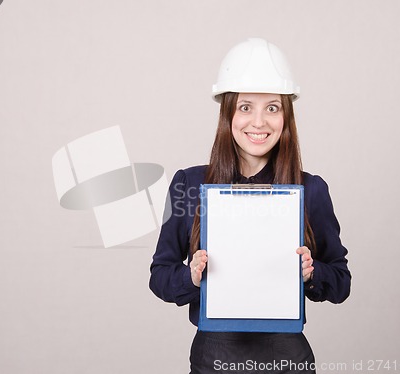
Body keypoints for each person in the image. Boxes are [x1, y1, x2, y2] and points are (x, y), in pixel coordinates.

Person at [149, 38, 351, 374]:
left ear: (286, 116)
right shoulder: (188, 184)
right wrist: (192, 276)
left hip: (287, 359)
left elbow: (341, 282)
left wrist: (313, 272)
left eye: (272, 108)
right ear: (227, 113)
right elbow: (160, 275)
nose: (259, 122)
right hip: (213, 358)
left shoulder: (310, 189)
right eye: (245, 107)